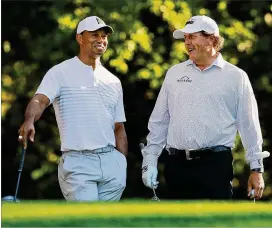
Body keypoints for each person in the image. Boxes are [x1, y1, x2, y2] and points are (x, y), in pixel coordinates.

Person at [141, 15, 270, 200]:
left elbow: (249, 124)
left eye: (192, 37)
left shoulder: (236, 77)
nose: (187, 43)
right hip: (176, 165)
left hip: (215, 165)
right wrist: (150, 160)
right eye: (185, 38)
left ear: (212, 39)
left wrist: (256, 169)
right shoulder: (174, 74)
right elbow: (160, 121)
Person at [18, 16, 128, 201]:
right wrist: (29, 120)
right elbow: (40, 101)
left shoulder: (113, 81)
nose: (101, 40)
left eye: (104, 36)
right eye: (94, 35)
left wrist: (121, 163)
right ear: (80, 38)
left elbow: (119, 127)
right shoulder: (60, 72)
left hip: (111, 163)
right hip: (78, 162)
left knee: (107, 222)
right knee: (88, 220)